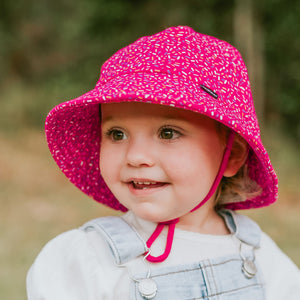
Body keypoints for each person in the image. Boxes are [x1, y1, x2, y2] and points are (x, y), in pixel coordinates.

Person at [27, 26, 300, 299]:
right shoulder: (87, 259)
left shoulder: (258, 254)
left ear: (232, 156)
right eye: (116, 134)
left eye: (168, 133)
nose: (135, 156)